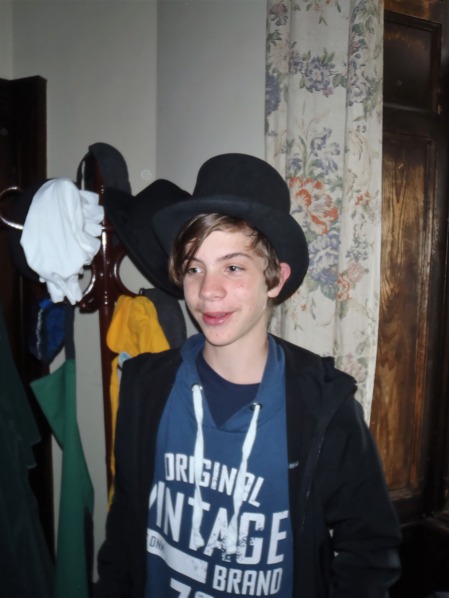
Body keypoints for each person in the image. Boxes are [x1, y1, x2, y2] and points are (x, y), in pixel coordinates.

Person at [95, 153, 402, 598]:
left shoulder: (324, 408)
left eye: (233, 267)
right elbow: (125, 526)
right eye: (195, 267)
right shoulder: (145, 386)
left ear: (274, 280)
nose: (208, 291)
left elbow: (369, 553)